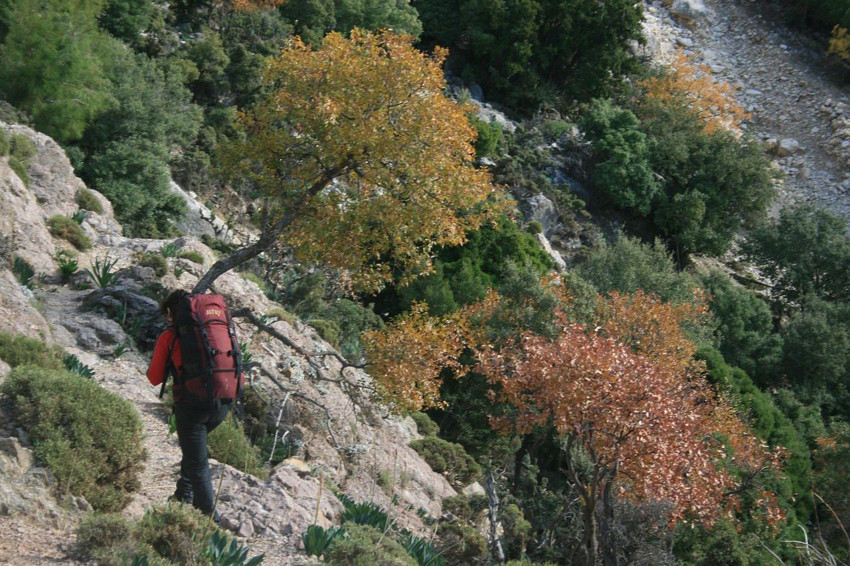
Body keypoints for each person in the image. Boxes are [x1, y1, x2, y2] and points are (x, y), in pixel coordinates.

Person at [147, 289, 231, 520]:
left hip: (192, 405)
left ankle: (207, 520)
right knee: (194, 451)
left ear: (171, 314)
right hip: (224, 402)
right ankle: (183, 495)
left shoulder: (171, 336)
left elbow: (154, 378)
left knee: (197, 462)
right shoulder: (213, 331)